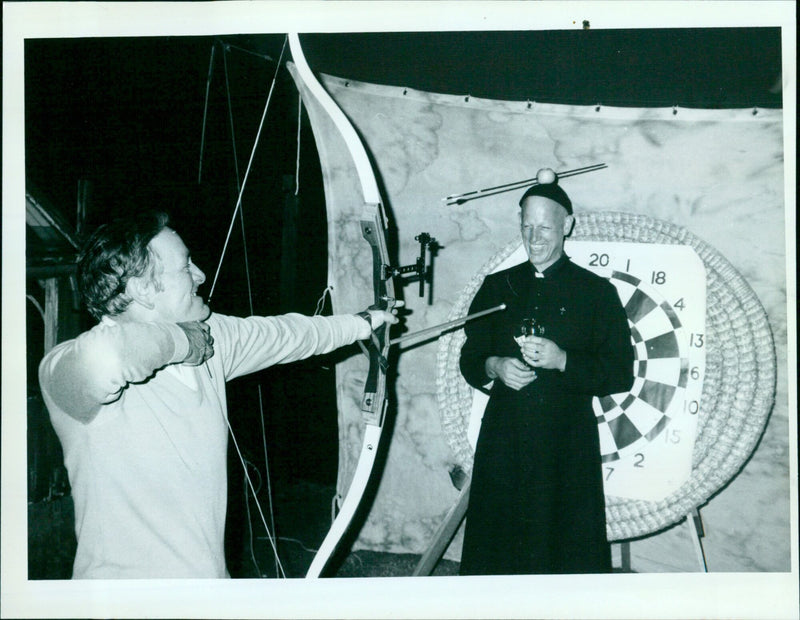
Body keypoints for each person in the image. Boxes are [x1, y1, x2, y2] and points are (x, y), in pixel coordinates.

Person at [38, 210, 398, 579]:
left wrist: (361, 323)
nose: (200, 275)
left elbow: (285, 335)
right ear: (142, 288)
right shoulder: (64, 369)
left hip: (209, 586)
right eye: (185, 266)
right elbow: (106, 357)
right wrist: (181, 341)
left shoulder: (210, 338)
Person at [458, 173, 634, 575]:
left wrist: (563, 361)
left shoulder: (597, 293)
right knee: (495, 552)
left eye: (545, 228)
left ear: (568, 225)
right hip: (504, 440)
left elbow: (620, 374)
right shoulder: (496, 285)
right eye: (527, 227)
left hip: (566, 445)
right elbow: (471, 358)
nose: (534, 238)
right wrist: (495, 366)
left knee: (563, 553)